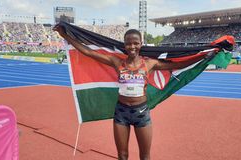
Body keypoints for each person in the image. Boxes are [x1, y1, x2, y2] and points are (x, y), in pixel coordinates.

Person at [53, 25, 211, 160]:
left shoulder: (149, 63)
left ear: (141, 43)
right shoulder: (117, 62)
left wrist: (204, 57)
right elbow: (89, 52)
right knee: (122, 155)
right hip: (121, 112)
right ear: (125, 44)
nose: (132, 47)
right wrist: (64, 34)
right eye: (129, 44)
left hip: (141, 112)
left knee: (145, 156)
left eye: (136, 43)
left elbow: (179, 64)